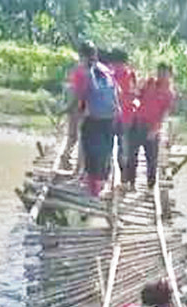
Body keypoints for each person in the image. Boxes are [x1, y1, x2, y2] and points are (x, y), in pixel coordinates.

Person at [123, 62, 175, 191]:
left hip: (152, 127)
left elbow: (164, 114)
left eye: (164, 73)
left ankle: (151, 187)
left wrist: (155, 129)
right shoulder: (150, 82)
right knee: (132, 155)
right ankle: (131, 183)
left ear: (170, 75)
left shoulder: (169, 93)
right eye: (159, 72)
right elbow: (138, 96)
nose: (161, 75)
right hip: (138, 122)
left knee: (151, 160)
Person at [75, 43, 119, 196]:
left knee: (90, 149)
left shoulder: (85, 72)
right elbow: (115, 91)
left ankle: (91, 185)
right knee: (105, 150)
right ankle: (102, 182)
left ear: (83, 55)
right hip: (110, 117)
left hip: (93, 118)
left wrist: (76, 113)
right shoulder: (106, 70)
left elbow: (80, 97)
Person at [59, 41, 94, 173]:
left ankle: (66, 158)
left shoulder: (78, 70)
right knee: (81, 138)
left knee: (73, 136)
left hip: (76, 107)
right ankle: (77, 167)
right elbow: (78, 92)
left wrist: (68, 108)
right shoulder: (86, 71)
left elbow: (73, 90)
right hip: (80, 108)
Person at [106, 48, 137, 174]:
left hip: (125, 116)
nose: (116, 66)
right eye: (115, 63)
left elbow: (133, 94)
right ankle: (110, 170)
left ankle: (122, 172)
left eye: (119, 63)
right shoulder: (110, 76)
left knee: (123, 146)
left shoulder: (130, 75)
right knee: (110, 145)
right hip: (113, 116)